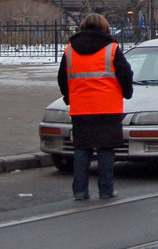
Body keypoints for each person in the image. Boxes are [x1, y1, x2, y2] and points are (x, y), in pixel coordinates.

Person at [57, 14, 133, 201]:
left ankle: (80, 191)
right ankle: (106, 189)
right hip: (108, 107)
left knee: (82, 149)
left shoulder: (70, 50)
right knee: (106, 150)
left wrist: (69, 98)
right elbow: (125, 74)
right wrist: (127, 93)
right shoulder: (112, 49)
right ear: (105, 27)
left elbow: (62, 78)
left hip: (80, 108)